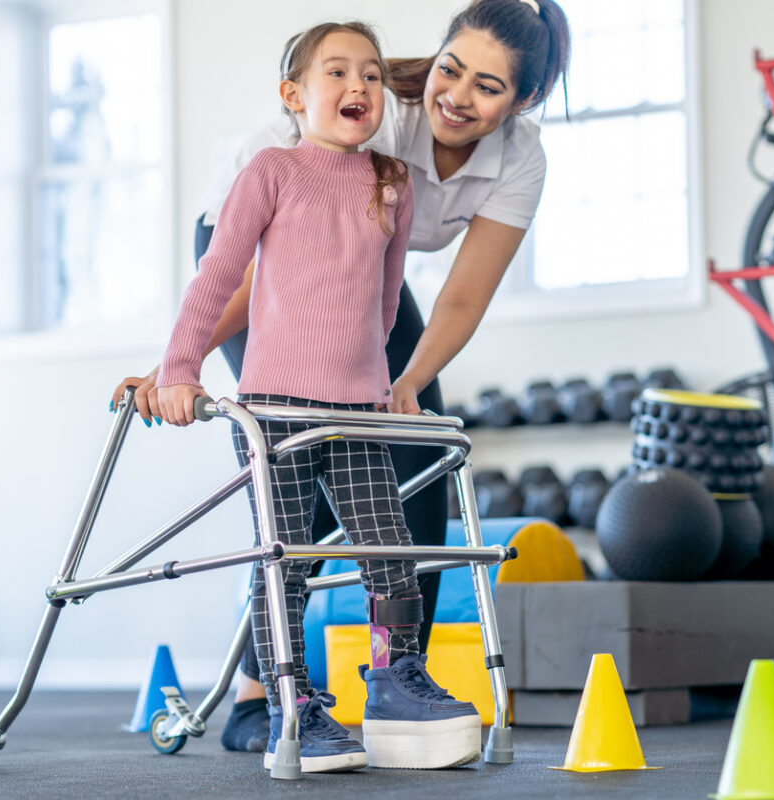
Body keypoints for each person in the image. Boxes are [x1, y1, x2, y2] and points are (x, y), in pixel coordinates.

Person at [112, 0, 572, 755]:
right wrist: (174, 362)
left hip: (359, 265)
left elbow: (460, 295)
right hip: (258, 241)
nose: (456, 95)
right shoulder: (375, 105)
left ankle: (397, 681)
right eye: (450, 68)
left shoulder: (522, 159)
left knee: (414, 453)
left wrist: (407, 387)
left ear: (522, 102)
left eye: (488, 88)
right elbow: (243, 264)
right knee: (299, 465)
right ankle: (263, 697)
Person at [156, 21, 484, 774]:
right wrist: (179, 366)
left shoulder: (392, 183)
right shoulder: (270, 170)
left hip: (355, 411)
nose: (359, 87)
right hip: (273, 409)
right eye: (337, 72)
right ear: (294, 96)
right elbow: (217, 280)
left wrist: (389, 389)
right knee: (286, 563)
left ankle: (397, 679)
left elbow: (383, 300)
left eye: (371, 74)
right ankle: (291, 704)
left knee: (389, 552)